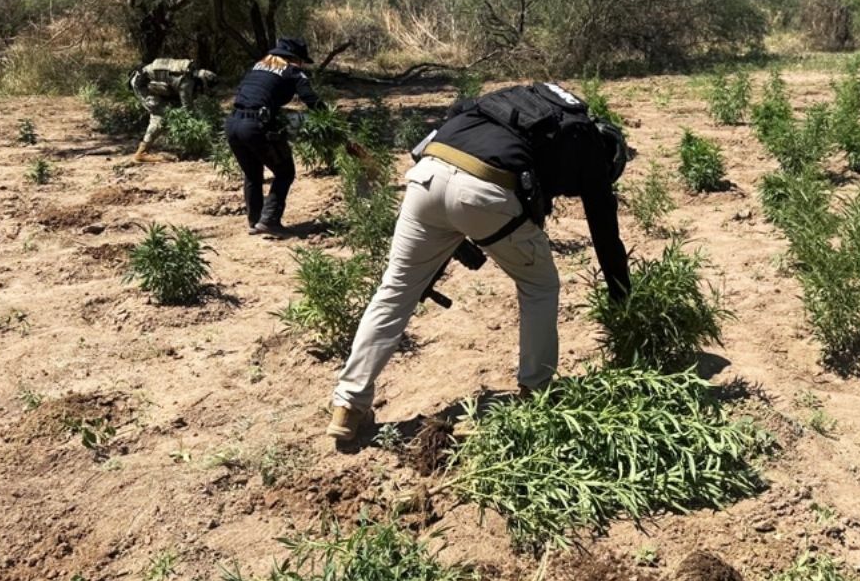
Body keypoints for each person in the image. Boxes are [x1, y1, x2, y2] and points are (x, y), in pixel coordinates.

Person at [325, 82, 631, 441]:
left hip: (427, 172)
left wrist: (455, 233)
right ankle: (537, 391)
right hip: (484, 187)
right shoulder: (588, 140)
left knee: (396, 290)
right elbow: (604, 230)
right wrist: (622, 297)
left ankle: (347, 405)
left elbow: (458, 121)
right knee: (539, 285)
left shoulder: (528, 101)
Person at [226, 37, 326, 236]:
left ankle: (255, 221)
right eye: (301, 61)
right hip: (255, 127)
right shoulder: (292, 71)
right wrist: (328, 118)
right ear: (295, 58)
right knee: (285, 171)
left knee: (252, 174)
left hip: (232, 124)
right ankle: (270, 220)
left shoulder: (257, 67)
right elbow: (310, 99)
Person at [129, 58, 217, 163]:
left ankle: (188, 147)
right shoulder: (187, 83)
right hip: (141, 84)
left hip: (152, 83)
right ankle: (141, 153)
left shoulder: (190, 74)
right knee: (160, 116)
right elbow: (188, 110)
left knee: (173, 107)